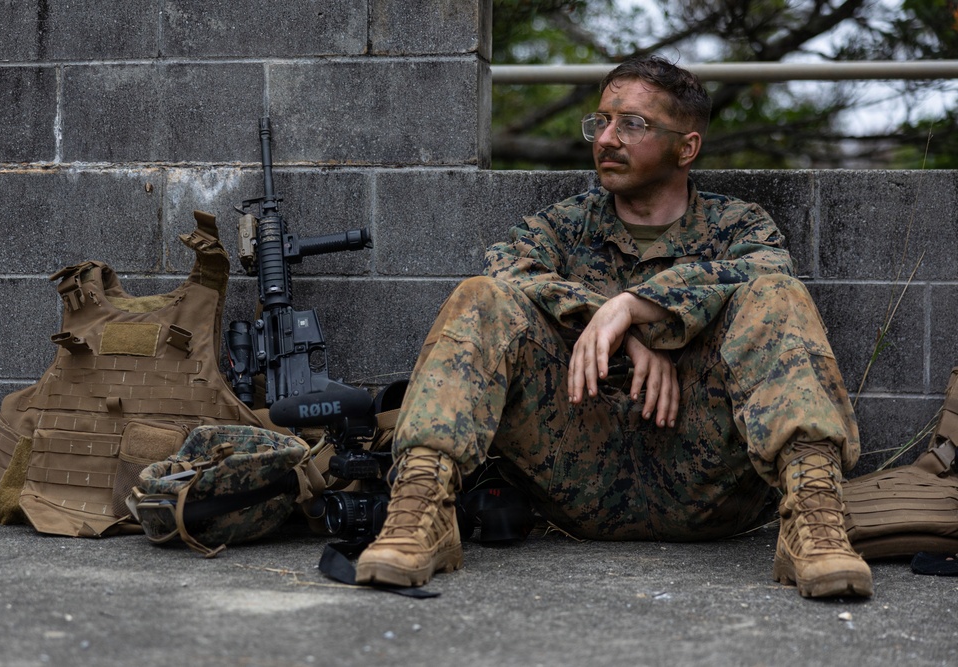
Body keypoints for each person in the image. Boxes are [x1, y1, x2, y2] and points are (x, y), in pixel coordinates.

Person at [354, 55, 872, 599]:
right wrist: (616, 327)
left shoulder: (737, 224)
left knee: (775, 295)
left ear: (686, 147)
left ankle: (814, 524)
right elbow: (506, 265)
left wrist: (635, 304)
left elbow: (764, 270)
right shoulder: (566, 224)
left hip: (709, 485)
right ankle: (419, 515)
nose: (606, 138)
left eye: (632, 123)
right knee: (482, 296)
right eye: (600, 121)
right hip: (577, 473)